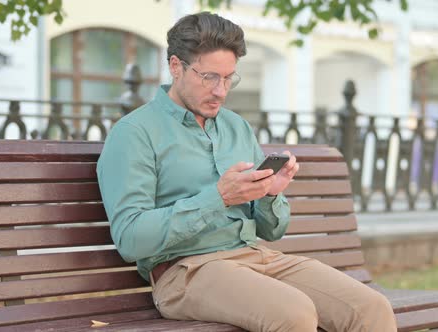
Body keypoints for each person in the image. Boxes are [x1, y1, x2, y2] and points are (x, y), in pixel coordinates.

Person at [97, 11, 396, 332]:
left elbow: (273, 231)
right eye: (209, 77)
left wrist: (270, 193)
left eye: (229, 78)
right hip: (184, 271)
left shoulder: (235, 127)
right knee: (292, 313)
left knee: (370, 308)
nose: (221, 91)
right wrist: (218, 198)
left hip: (254, 257)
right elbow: (130, 239)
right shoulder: (135, 133)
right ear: (175, 67)